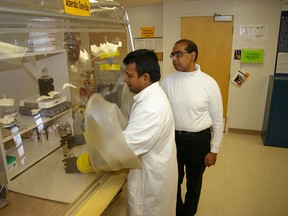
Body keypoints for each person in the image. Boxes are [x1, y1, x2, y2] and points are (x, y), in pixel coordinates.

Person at [63, 49, 178, 216]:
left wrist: (81, 164)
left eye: (129, 76)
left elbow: (122, 151)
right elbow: (126, 130)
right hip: (148, 171)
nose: (125, 80)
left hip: (150, 182)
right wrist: (86, 138)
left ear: (145, 78)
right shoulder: (148, 98)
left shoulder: (152, 108)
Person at [161, 39, 223, 216]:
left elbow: (218, 120)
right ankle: (178, 212)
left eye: (179, 54)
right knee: (174, 181)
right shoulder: (167, 82)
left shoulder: (208, 83)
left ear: (193, 55)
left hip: (199, 141)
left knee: (194, 184)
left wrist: (214, 150)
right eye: (173, 54)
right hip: (173, 140)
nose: (174, 58)